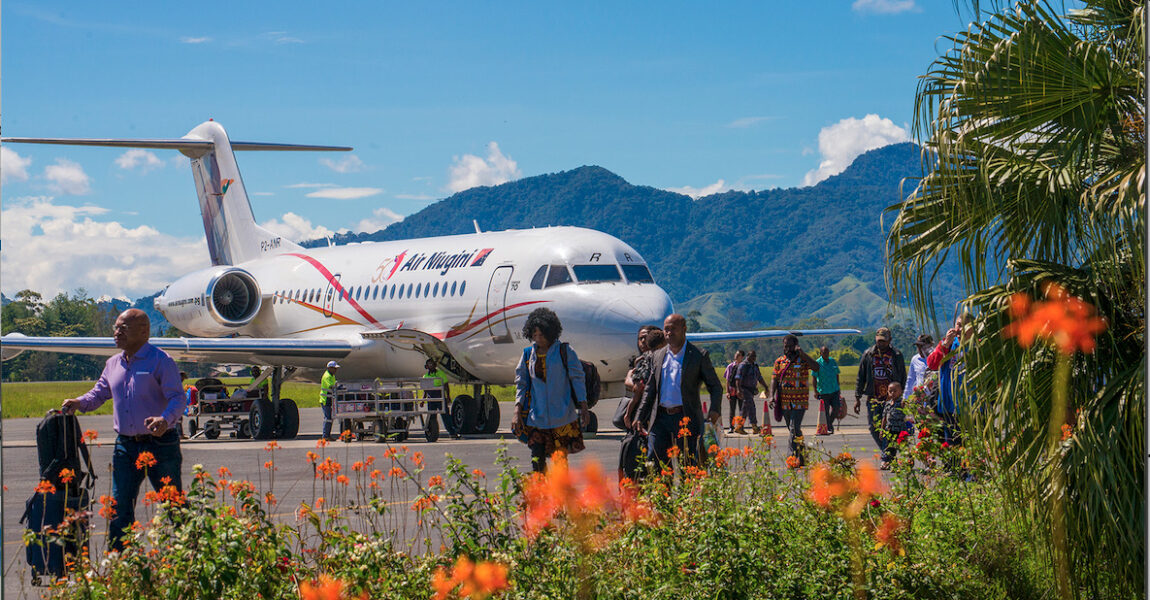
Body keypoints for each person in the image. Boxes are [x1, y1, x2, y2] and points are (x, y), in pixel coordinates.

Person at [61, 308, 186, 552]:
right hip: (126, 446)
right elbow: (98, 394)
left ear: (144, 331)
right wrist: (78, 403)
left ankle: (192, 554)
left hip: (160, 444)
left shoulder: (161, 361)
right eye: (116, 328)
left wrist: (165, 419)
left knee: (173, 503)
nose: (116, 333)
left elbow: (178, 398)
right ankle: (120, 560)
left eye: (123, 328)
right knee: (119, 506)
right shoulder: (112, 364)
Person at [635, 314, 723, 469]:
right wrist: (640, 415)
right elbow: (650, 389)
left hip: (685, 418)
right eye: (666, 329)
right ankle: (662, 493)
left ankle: (687, 492)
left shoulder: (698, 356)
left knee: (687, 465)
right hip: (660, 419)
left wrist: (715, 409)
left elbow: (715, 386)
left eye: (672, 329)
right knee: (656, 463)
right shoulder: (657, 356)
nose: (668, 333)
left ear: (684, 330)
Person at [512, 308, 589, 473]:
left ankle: (560, 495)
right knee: (537, 461)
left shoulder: (565, 352)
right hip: (536, 418)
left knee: (560, 462)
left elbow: (578, 379)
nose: (538, 338)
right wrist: (517, 409)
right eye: (535, 335)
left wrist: (583, 405)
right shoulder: (527, 355)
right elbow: (521, 383)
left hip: (561, 417)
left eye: (542, 334)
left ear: (551, 332)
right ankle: (541, 494)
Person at [619, 327, 664, 481]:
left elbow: (637, 388)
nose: (643, 342)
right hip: (640, 418)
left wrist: (629, 379)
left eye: (646, 338)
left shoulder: (650, 360)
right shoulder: (640, 361)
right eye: (640, 339)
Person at [854, 327, 907, 455]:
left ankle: (887, 456)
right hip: (874, 396)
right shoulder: (868, 354)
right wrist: (857, 397)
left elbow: (903, 376)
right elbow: (861, 376)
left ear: (890, 340)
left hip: (891, 398)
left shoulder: (897, 355)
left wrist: (903, 395)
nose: (880, 343)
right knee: (873, 427)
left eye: (883, 341)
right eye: (879, 341)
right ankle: (887, 452)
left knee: (889, 427)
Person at [770, 335, 820, 464]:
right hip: (785, 401)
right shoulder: (779, 361)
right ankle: (802, 456)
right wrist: (771, 396)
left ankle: (791, 457)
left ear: (796, 346)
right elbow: (774, 379)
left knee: (793, 428)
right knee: (794, 430)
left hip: (800, 401)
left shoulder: (803, 360)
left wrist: (803, 354)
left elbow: (816, 367)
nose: (787, 348)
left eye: (790, 346)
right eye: (785, 346)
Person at [928, 314, 970, 447]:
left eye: (965, 325)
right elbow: (932, 364)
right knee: (951, 442)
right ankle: (953, 466)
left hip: (970, 404)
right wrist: (945, 344)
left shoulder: (978, 344)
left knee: (968, 444)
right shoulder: (948, 344)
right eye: (958, 324)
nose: (960, 329)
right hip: (949, 403)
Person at [735, 351, 768, 434]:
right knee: (751, 407)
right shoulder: (743, 365)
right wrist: (738, 390)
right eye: (752, 356)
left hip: (751, 390)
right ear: (748, 356)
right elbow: (738, 379)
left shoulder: (754, 366)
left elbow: (759, 377)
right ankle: (754, 426)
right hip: (744, 389)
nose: (754, 358)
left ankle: (739, 427)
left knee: (745, 409)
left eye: (755, 356)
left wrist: (766, 387)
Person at [879, 381, 910, 470]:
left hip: (901, 430)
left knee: (904, 447)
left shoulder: (902, 403)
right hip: (890, 430)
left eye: (895, 391)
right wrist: (882, 430)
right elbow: (884, 418)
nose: (892, 393)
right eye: (890, 391)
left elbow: (908, 414)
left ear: (900, 391)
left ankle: (908, 462)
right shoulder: (887, 404)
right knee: (890, 448)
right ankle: (891, 463)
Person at [813, 346, 841, 434]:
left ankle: (829, 424)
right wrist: (815, 391)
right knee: (825, 410)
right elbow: (814, 378)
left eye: (827, 352)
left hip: (834, 389)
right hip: (823, 391)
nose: (826, 354)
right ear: (820, 353)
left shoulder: (833, 361)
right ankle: (829, 426)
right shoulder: (817, 363)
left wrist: (838, 387)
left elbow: (837, 374)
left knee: (836, 408)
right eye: (824, 352)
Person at [903, 334, 934, 400]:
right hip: (920, 396)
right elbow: (910, 380)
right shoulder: (915, 359)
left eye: (922, 346)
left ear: (930, 346)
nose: (920, 349)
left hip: (934, 395)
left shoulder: (936, 358)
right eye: (918, 346)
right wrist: (905, 398)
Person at [723, 350, 744, 432]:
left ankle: (740, 427)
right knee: (732, 410)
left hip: (741, 391)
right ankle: (731, 426)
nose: (736, 356)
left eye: (738, 355)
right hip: (732, 391)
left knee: (741, 410)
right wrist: (727, 392)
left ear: (742, 357)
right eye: (736, 354)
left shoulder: (744, 366)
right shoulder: (730, 366)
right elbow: (727, 380)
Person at [320, 361, 340, 440]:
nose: (336, 370)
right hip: (325, 400)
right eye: (334, 368)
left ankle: (327, 435)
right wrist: (339, 388)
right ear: (329, 368)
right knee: (328, 418)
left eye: (336, 368)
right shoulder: (327, 376)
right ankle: (325, 436)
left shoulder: (332, 375)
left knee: (330, 418)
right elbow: (331, 387)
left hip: (329, 399)